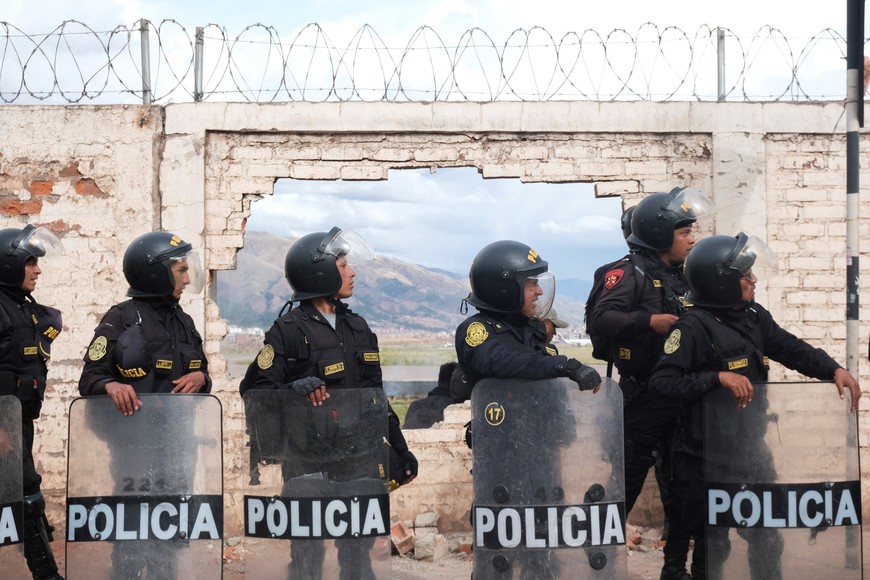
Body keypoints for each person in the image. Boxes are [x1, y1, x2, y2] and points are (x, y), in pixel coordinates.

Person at [648, 233, 860, 580]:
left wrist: (833, 369)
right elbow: (662, 384)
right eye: (745, 274)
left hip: (750, 452)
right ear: (721, 282)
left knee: (766, 537)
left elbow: (790, 348)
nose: (754, 280)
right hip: (703, 458)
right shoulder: (693, 328)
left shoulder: (753, 316)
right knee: (712, 545)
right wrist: (715, 378)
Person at [244, 226, 417, 578]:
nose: (352, 272)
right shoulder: (287, 330)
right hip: (308, 461)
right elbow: (256, 388)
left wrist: (400, 448)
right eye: (342, 265)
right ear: (319, 271)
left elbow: (377, 397)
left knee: (359, 557)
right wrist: (295, 385)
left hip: (360, 461)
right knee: (307, 557)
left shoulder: (358, 327)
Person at [587, 187, 715, 580]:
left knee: (681, 490)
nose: (692, 239)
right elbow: (601, 319)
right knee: (622, 488)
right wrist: (648, 322)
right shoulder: (628, 273)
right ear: (659, 234)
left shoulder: (685, 276)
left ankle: (675, 568)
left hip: (683, 396)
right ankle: (595, 565)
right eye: (683, 232)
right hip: (643, 396)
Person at [456, 240, 601, 578]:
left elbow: (541, 372)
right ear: (506, 288)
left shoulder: (531, 331)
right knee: (499, 552)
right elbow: (503, 362)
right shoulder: (477, 330)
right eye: (530, 283)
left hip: (542, 454)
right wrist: (564, 365)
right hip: (502, 457)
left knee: (543, 547)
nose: (537, 291)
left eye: (538, 283)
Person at [78, 230, 210, 579]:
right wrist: (110, 384)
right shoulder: (120, 318)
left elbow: (201, 371)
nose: (186, 278)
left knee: (169, 535)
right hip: (133, 449)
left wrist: (201, 379)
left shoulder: (184, 321)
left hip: (177, 447)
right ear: (156, 272)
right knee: (131, 539)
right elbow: (90, 377)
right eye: (180, 270)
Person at [0, 225, 65, 580]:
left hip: (19, 423)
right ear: (9, 265)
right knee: (26, 496)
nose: (37, 270)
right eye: (30, 262)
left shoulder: (22, 308)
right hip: (3, 427)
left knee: (26, 495)